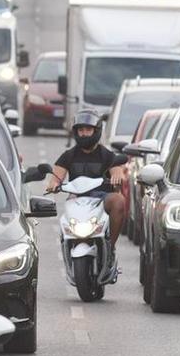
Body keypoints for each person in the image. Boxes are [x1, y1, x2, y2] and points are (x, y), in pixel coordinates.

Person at [44, 109, 130, 282]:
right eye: (80, 130)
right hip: (76, 200)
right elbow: (55, 177)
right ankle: (69, 246)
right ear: (75, 132)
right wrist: (53, 184)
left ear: (96, 131)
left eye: (88, 129)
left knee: (118, 201)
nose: (84, 133)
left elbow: (117, 170)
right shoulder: (68, 155)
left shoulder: (106, 154)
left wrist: (117, 176)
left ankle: (110, 246)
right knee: (65, 221)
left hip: (101, 200)